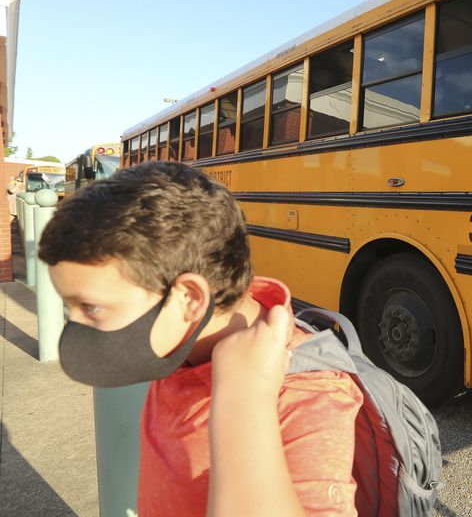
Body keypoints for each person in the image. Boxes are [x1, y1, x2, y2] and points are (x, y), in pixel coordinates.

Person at [38, 162, 363, 517]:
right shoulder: (177, 343)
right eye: (69, 307)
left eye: (92, 307)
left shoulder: (309, 396)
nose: (76, 324)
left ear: (190, 299)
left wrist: (244, 396)